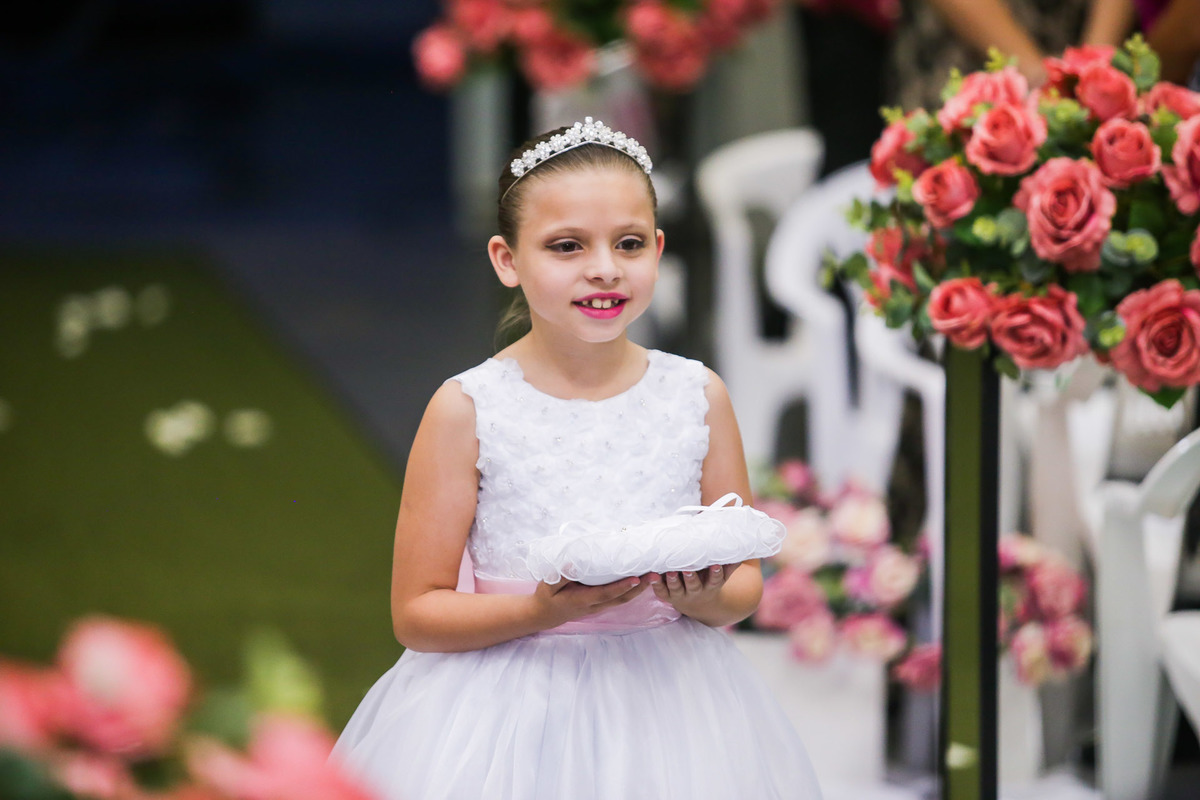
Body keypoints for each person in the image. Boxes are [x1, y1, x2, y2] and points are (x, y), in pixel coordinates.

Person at [331, 118, 824, 800]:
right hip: (509, 711)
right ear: (507, 259)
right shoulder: (469, 408)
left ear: (657, 249)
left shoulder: (697, 394)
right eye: (567, 246)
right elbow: (416, 612)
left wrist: (704, 595)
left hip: (671, 709)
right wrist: (541, 611)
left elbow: (743, 586)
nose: (604, 268)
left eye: (628, 243)